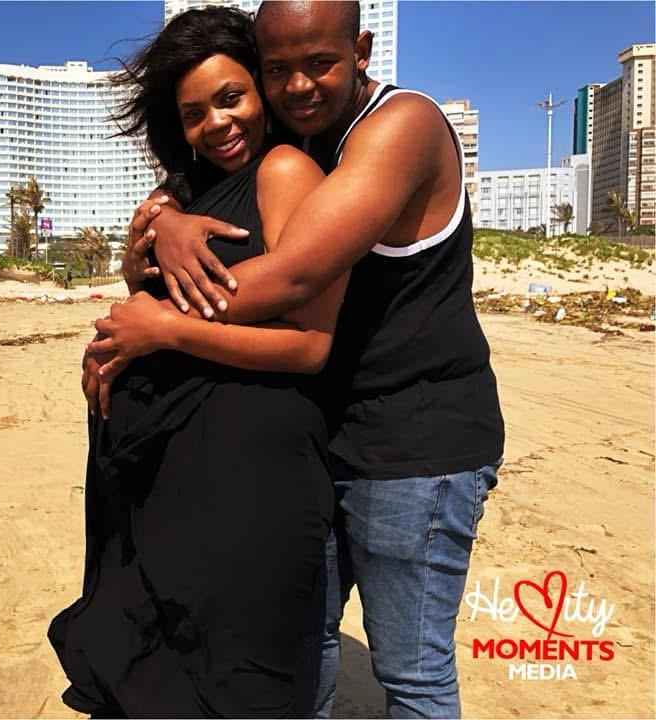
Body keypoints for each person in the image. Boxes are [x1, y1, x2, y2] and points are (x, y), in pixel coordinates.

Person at [88, 2, 505, 718]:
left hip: (417, 443)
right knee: (301, 643)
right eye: (278, 70)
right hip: (329, 435)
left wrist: (158, 317)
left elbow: (293, 278)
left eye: (320, 63)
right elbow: (218, 176)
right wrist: (170, 220)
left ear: (361, 49)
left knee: (412, 673)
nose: (299, 85)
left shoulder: (400, 125)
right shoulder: (307, 137)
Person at [48, 7, 349, 717]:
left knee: (237, 678)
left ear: (262, 92)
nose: (216, 123)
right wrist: (134, 290)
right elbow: (172, 303)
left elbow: (309, 344)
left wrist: (164, 333)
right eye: (193, 114)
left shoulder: (284, 171)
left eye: (230, 97)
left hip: (245, 484)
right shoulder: (184, 196)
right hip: (162, 481)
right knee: (162, 664)